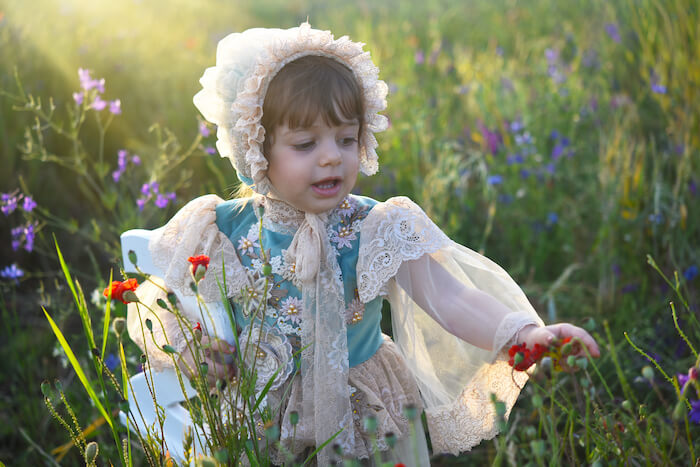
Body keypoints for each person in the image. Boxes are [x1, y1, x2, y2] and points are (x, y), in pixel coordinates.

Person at [126, 23, 599, 466]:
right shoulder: (221, 227)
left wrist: (521, 333)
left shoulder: (375, 226)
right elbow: (164, 297)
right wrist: (193, 346)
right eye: (306, 144)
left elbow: (451, 299)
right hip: (262, 414)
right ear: (257, 147)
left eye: (346, 138)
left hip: (362, 414)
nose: (332, 156)